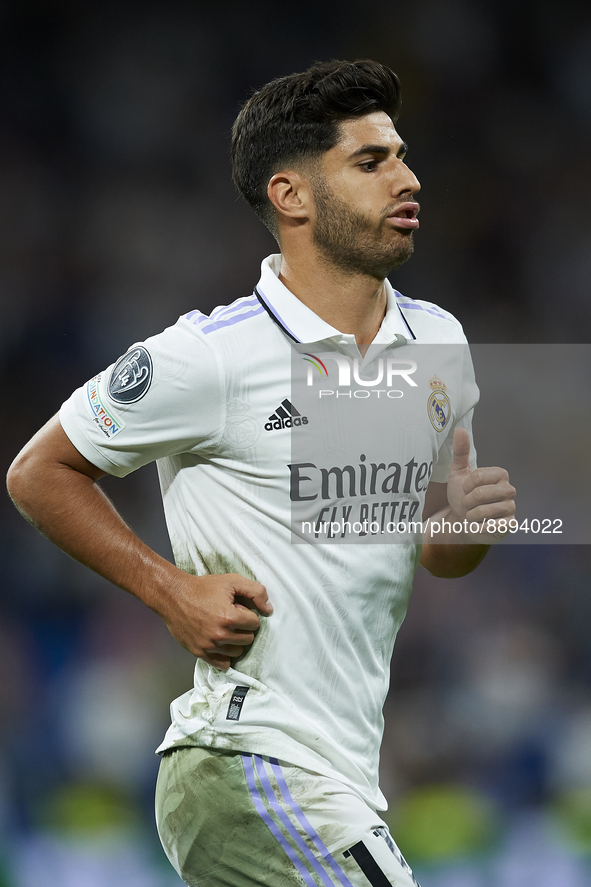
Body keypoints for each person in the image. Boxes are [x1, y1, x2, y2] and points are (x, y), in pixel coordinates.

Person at [6, 60, 516, 887]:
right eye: (370, 160)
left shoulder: (433, 342)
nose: (407, 177)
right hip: (246, 760)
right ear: (291, 196)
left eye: (401, 154)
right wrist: (167, 588)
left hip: (339, 773)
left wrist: (461, 532)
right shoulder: (209, 356)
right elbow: (39, 471)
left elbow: (430, 548)